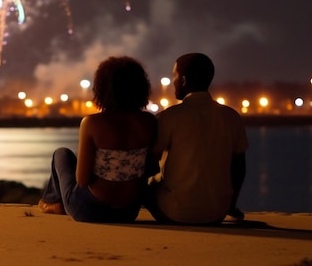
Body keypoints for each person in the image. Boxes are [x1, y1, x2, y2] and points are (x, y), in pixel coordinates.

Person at [39, 56, 157, 223]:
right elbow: (149, 168)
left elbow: (82, 180)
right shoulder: (149, 122)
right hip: (128, 212)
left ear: (102, 88)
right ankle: (54, 201)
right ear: (141, 87)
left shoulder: (92, 123)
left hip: (89, 211)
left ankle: (52, 201)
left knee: (62, 154)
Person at [144, 53, 248, 225]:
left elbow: (149, 163)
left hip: (175, 213)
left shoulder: (168, 117)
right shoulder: (231, 116)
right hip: (217, 213)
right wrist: (230, 205)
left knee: (146, 183)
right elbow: (239, 167)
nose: (173, 82)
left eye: (174, 76)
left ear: (183, 80)